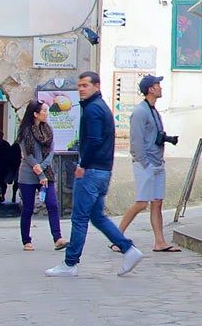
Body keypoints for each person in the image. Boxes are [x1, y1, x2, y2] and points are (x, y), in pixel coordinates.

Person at [46, 71, 143, 277]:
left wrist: (84, 164)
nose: (81, 89)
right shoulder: (100, 108)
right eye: (79, 86)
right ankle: (128, 250)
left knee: (79, 217)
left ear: (96, 86)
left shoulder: (92, 110)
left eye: (85, 85)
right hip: (103, 170)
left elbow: (94, 140)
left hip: (91, 171)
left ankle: (70, 263)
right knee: (97, 216)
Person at [119, 74, 179, 253]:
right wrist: (144, 162)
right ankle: (117, 236)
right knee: (141, 203)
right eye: (158, 85)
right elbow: (136, 141)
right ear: (151, 89)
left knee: (157, 202)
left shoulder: (153, 110)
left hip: (157, 162)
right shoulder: (140, 112)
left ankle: (160, 241)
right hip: (146, 163)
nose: (160, 87)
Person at [15, 100, 64, 251]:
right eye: (44, 111)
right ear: (35, 114)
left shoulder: (48, 130)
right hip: (28, 175)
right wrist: (39, 172)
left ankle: (57, 238)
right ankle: (26, 241)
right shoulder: (24, 132)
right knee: (28, 208)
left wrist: (42, 169)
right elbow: (27, 155)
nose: (46, 113)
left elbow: (51, 152)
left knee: (52, 205)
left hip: (46, 173)